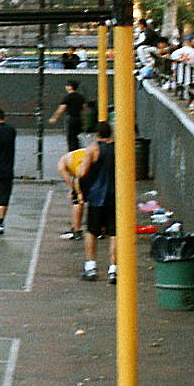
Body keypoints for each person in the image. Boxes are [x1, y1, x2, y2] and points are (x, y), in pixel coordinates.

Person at [79, 121, 117, 283]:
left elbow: (82, 173)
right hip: (115, 195)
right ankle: (114, 269)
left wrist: (82, 192)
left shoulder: (93, 149)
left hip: (96, 195)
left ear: (97, 134)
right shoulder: (118, 148)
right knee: (114, 233)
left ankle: (91, 266)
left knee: (92, 231)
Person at [56, 140, 91, 241]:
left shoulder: (61, 165)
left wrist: (73, 190)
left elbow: (70, 180)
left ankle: (76, 230)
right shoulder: (74, 156)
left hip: (83, 172)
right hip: (94, 167)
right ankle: (101, 229)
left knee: (77, 201)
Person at [49, 80, 90, 152]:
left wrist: (54, 118)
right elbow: (85, 109)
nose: (66, 87)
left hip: (70, 119)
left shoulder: (67, 97)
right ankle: (78, 151)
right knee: (75, 136)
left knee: (71, 138)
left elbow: (61, 109)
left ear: (70, 87)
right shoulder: (81, 97)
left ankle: (72, 153)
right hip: (78, 119)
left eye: (67, 85)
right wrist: (84, 120)